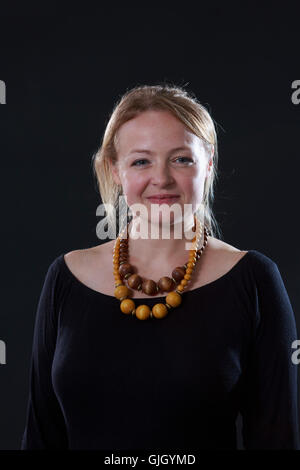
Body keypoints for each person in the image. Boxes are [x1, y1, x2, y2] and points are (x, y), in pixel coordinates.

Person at [21, 84, 300, 450]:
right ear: (114, 170)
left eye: (181, 158)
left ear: (209, 163)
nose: (162, 179)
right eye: (141, 161)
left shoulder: (254, 279)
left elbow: (277, 441)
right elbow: (42, 436)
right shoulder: (66, 276)